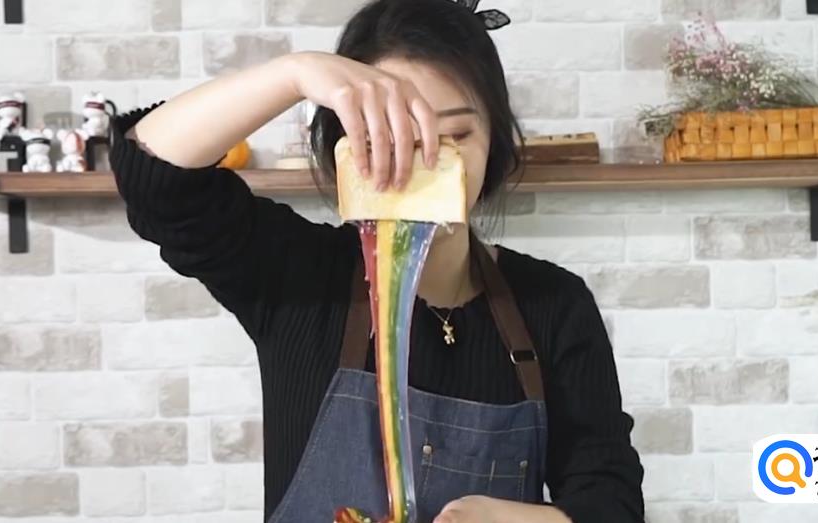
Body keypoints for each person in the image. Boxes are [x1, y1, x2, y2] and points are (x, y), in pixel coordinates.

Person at [109, 0, 645, 521]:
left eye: (457, 135)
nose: (425, 159)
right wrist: (295, 73)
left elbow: (611, 499)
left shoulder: (553, 304)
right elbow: (153, 178)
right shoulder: (296, 275)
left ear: (495, 144)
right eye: (390, 133)